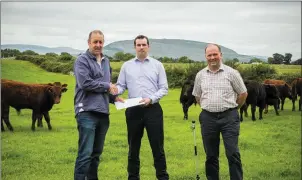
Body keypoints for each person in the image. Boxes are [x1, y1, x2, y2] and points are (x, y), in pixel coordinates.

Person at [114, 35, 169, 180]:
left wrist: (151, 99)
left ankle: (162, 177)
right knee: (133, 147)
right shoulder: (127, 66)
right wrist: (114, 91)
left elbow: (164, 88)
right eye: (138, 45)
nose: (141, 47)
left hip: (153, 110)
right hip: (133, 110)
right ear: (135, 47)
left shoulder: (157, 65)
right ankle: (133, 177)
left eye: (144, 44)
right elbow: (121, 86)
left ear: (148, 46)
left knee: (158, 147)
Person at [192, 43, 248, 180]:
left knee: (232, 153)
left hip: (229, 117)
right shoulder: (200, 75)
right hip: (208, 118)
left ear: (220, 55)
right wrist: (208, 107)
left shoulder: (232, 73)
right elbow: (197, 96)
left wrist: (234, 108)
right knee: (211, 155)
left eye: (215, 54)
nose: (212, 57)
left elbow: (243, 93)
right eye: (209, 55)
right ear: (206, 56)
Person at [73, 30, 120, 180]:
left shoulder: (106, 61)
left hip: (103, 112)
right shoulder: (82, 60)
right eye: (95, 42)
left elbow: (107, 88)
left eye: (101, 42)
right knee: (85, 154)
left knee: (96, 154)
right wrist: (107, 86)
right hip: (86, 111)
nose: (98, 45)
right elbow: (85, 83)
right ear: (89, 43)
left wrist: (114, 98)